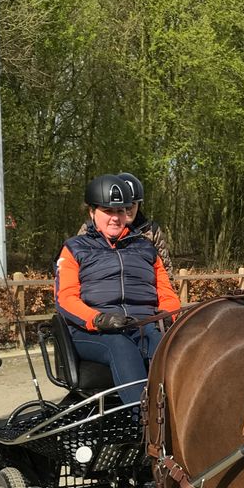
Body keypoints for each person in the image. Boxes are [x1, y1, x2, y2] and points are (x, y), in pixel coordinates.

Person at [55, 174, 181, 406]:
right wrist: (99, 318)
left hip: (142, 325)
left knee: (167, 346)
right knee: (120, 345)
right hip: (94, 330)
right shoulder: (75, 248)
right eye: (107, 211)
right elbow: (65, 298)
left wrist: (164, 318)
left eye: (121, 211)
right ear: (92, 212)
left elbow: (167, 294)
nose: (115, 218)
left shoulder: (145, 248)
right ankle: (143, 422)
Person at [75, 172, 173, 273]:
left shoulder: (151, 230)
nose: (127, 210)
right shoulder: (90, 228)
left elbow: (165, 269)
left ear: (139, 205)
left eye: (132, 205)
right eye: (122, 206)